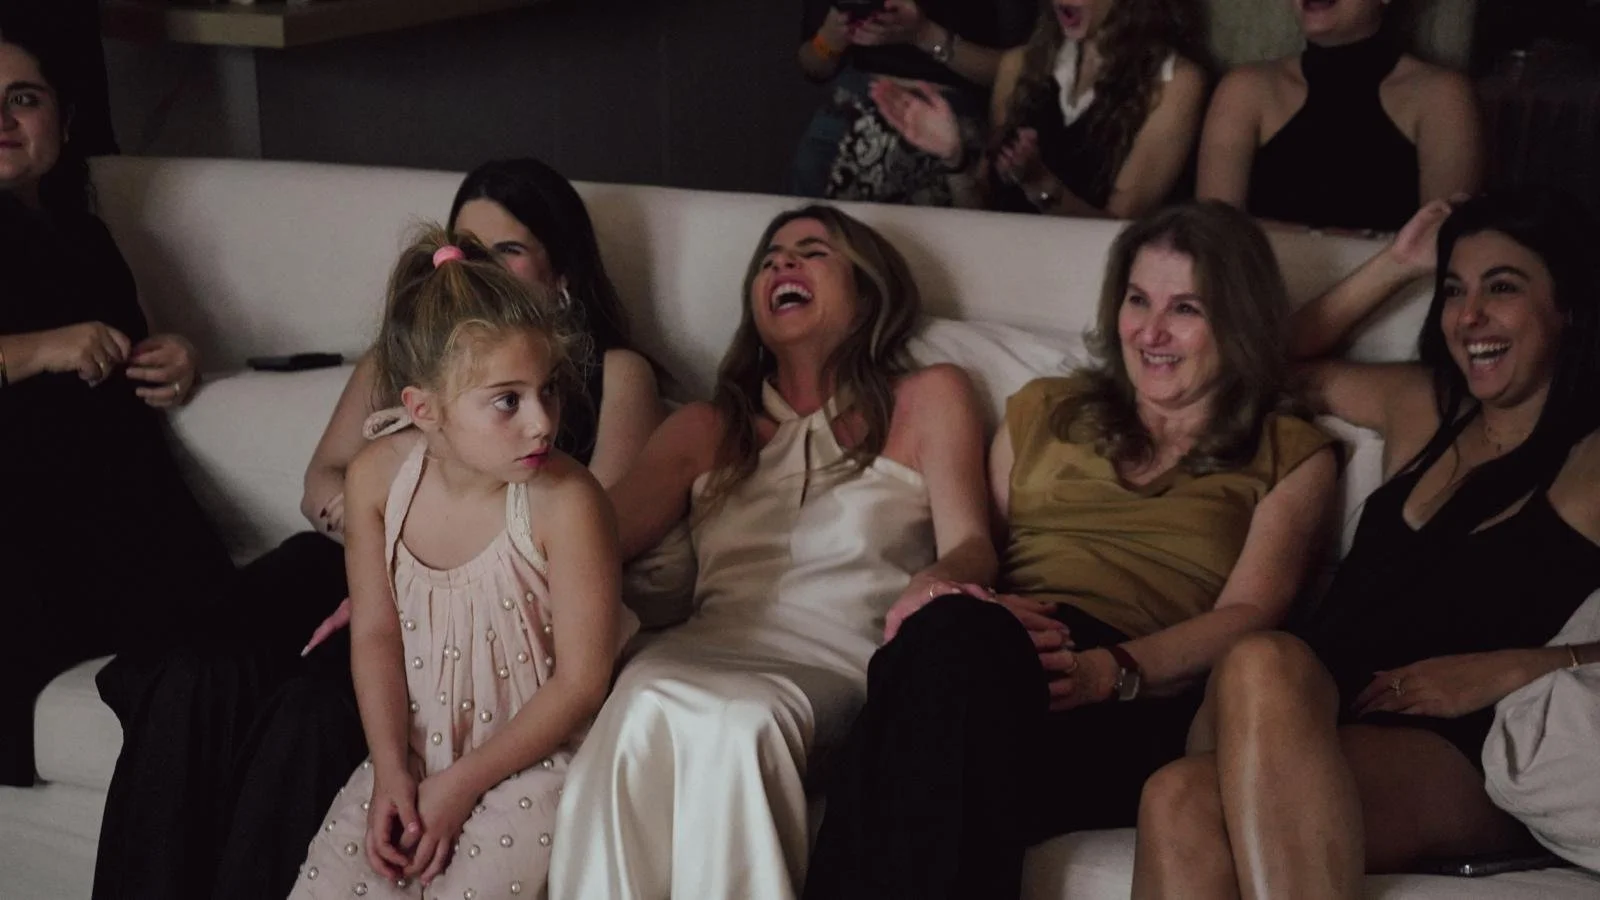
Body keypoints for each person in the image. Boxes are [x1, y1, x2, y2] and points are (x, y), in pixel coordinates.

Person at [91, 158, 666, 900]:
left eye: (507, 251)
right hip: (364, 559)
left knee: (305, 711)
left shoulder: (596, 402)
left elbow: (597, 560)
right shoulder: (400, 397)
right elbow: (327, 492)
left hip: (496, 618)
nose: (542, 417)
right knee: (191, 667)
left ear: (563, 274)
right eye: (466, 248)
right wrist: (379, 543)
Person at [803, 201, 1340, 900]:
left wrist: (1108, 671)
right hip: (1001, 651)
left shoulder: (1287, 452)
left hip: (1139, 689)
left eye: (1185, 309)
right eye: (1138, 299)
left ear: (1237, 321)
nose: (1150, 330)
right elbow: (979, 551)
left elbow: (1251, 612)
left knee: (917, 715)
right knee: (941, 647)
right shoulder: (1047, 410)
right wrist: (942, 583)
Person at [1132, 191, 1600, 898]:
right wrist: (1392, 266)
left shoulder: (1592, 461)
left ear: (1568, 306)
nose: (1469, 316)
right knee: (1260, 668)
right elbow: (1253, 363)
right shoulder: (1422, 405)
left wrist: (1517, 667)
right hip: (1295, 702)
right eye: (1452, 291)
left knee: (1179, 798)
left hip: (1451, 751)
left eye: (1501, 288)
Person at [548, 205, 996, 900]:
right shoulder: (707, 426)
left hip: (833, 662)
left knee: (741, 719)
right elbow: (586, 540)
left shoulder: (930, 397)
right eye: (768, 259)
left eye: (811, 251)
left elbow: (973, 546)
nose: (782, 265)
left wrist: (935, 583)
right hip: (702, 646)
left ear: (869, 289)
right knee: (639, 695)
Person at [287, 230, 625, 900]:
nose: (542, 423)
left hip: (535, 764)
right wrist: (391, 772)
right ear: (424, 409)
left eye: (548, 391)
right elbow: (376, 635)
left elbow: (583, 682)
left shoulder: (567, 499)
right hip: (413, 758)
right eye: (508, 400)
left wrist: (461, 785)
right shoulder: (375, 480)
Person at [0, 24, 256, 788]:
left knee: (257, 635)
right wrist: (40, 348)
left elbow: (119, 357)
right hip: (20, 531)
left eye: (24, 99)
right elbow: (61, 350)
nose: (4, 120)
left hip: (111, 513)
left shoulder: (85, 236)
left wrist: (174, 357)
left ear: (64, 120)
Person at [868, 0, 1208, 218]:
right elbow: (980, 213)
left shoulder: (1176, 82)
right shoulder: (1020, 66)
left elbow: (1121, 229)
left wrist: (1042, 186)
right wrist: (955, 159)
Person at [1197, 0, 1482, 233]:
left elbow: (1443, 243)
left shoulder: (1441, 94)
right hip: (1264, 296)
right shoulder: (1245, 89)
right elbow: (1211, 235)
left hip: (1397, 299)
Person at [790, 0, 1035, 204]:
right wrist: (830, 38)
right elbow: (812, 66)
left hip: (945, 113)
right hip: (853, 104)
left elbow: (1020, 68)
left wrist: (923, 34)